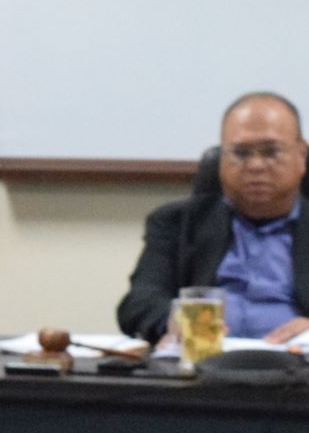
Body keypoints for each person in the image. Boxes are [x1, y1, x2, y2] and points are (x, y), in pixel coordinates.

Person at [117, 91, 309, 344]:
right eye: (240, 153)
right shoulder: (177, 222)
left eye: (271, 152)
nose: (256, 165)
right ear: (221, 159)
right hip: (203, 368)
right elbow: (140, 301)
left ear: (301, 155)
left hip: (297, 372)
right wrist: (172, 321)